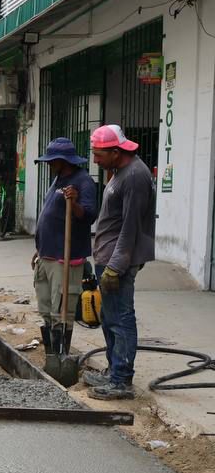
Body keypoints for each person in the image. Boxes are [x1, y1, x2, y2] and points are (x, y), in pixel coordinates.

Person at [85, 124, 155, 400]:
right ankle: (114, 370)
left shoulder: (135, 176)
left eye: (99, 154)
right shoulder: (121, 171)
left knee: (121, 318)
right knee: (109, 316)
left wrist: (115, 266)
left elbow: (130, 227)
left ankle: (121, 381)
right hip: (109, 256)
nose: (95, 160)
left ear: (115, 152)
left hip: (118, 260)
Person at [31, 138, 98, 368]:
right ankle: (51, 357)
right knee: (46, 308)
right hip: (46, 255)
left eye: (52, 161)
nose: (49, 165)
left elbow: (88, 216)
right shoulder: (58, 178)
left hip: (65, 259)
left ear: (62, 161)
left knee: (63, 311)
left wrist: (75, 201)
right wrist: (39, 249)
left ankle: (62, 358)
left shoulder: (83, 182)